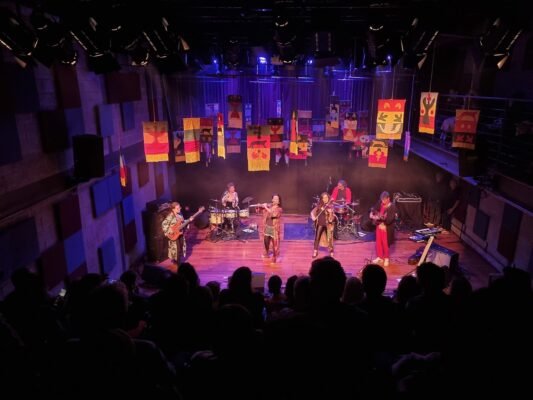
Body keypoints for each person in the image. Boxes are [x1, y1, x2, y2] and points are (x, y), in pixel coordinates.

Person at [370, 191, 397, 267]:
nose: (383, 201)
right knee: (378, 242)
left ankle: (386, 258)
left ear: (388, 198)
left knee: (385, 243)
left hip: (386, 228)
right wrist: (372, 214)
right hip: (379, 226)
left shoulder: (392, 207)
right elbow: (374, 209)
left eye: (384, 200)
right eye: (382, 200)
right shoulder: (380, 202)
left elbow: (389, 220)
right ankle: (380, 257)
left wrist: (383, 223)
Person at [310, 192, 336, 258]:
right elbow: (312, 212)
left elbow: (331, 219)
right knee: (317, 238)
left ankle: (331, 252)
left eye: (326, 197)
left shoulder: (331, 206)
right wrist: (313, 217)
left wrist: (330, 213)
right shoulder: (319, 205)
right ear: (322, 199)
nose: (325, 199)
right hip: (320, 224)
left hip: (328, 225)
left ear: (328, 198)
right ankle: (315, 251)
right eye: (323, 198)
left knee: (329, 238)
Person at [261, 194, 283, 262]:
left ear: (279, 201)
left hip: (274, 228)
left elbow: (273, 214)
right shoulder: (270, 206)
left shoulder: (279, 209)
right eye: (274, 198)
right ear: (272, 200)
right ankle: (266, 253)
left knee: (275, 245)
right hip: (267, 227)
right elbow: (263, 212)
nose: (275, 200)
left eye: (277, 199)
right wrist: (262, 206)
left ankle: (274, 257)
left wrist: (266, 207)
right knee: (266, 242)